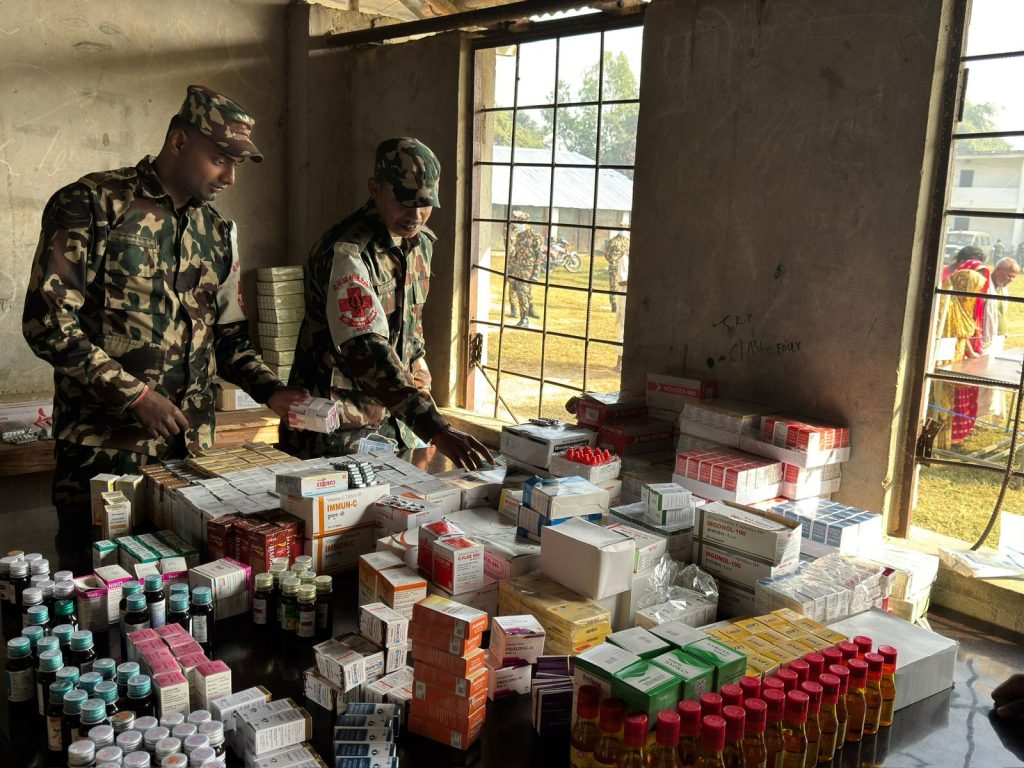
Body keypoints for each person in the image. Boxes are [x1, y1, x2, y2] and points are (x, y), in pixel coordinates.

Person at [22, 85, 307, 539]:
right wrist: (135, 396)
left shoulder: (217, 232)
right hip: (104, 451)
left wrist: (271, 390)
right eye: (220, 159)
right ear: (178, 141)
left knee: (190, 576)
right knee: (100, 575)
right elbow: (48, 323)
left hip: (189, 455)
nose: (230, 177)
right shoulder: (93, 203)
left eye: (237, 164)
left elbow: (227, 337)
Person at [279, 138, 491, 469]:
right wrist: (435, 427)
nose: (416, 215)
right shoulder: (348, 252)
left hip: (395, 426)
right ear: (375, 189)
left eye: (425, 203)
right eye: (405, 202)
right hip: (338, 431)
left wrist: (419, 372)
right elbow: (366, 348)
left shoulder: (419, 244)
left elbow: (410, 327)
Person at [931, 267, 987, 449]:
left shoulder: (962, 305)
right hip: (941, 362)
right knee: (937, 400)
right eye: (975, 289)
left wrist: (971, 354)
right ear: (964, 287)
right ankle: (931, 443)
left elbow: (962, 336)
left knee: (948, 402)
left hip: (954, 362)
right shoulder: (947, 305)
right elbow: (944, 336)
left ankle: (942, 442)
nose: (976, 294)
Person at [507, 211, 543, 327]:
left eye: (521, 222)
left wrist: (535, 274)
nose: (519, 225)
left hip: (528, 270)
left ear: (527, 222)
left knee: (522, 292)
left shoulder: (535, 236)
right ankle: (524, 313)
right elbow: (515, 255)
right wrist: (509, 270)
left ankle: (525, 319)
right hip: (517, 269)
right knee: (518, 292)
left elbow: (539, 256)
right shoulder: (519, 236)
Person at [604, 232, 630, 312]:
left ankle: (614, 304)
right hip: (623, 267)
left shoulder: (612, 241)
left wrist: (613, 261)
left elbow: (606, 254)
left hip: (615, 267)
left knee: (613, 285)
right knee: (623, 285)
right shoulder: (627, 241)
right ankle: (619, 304)